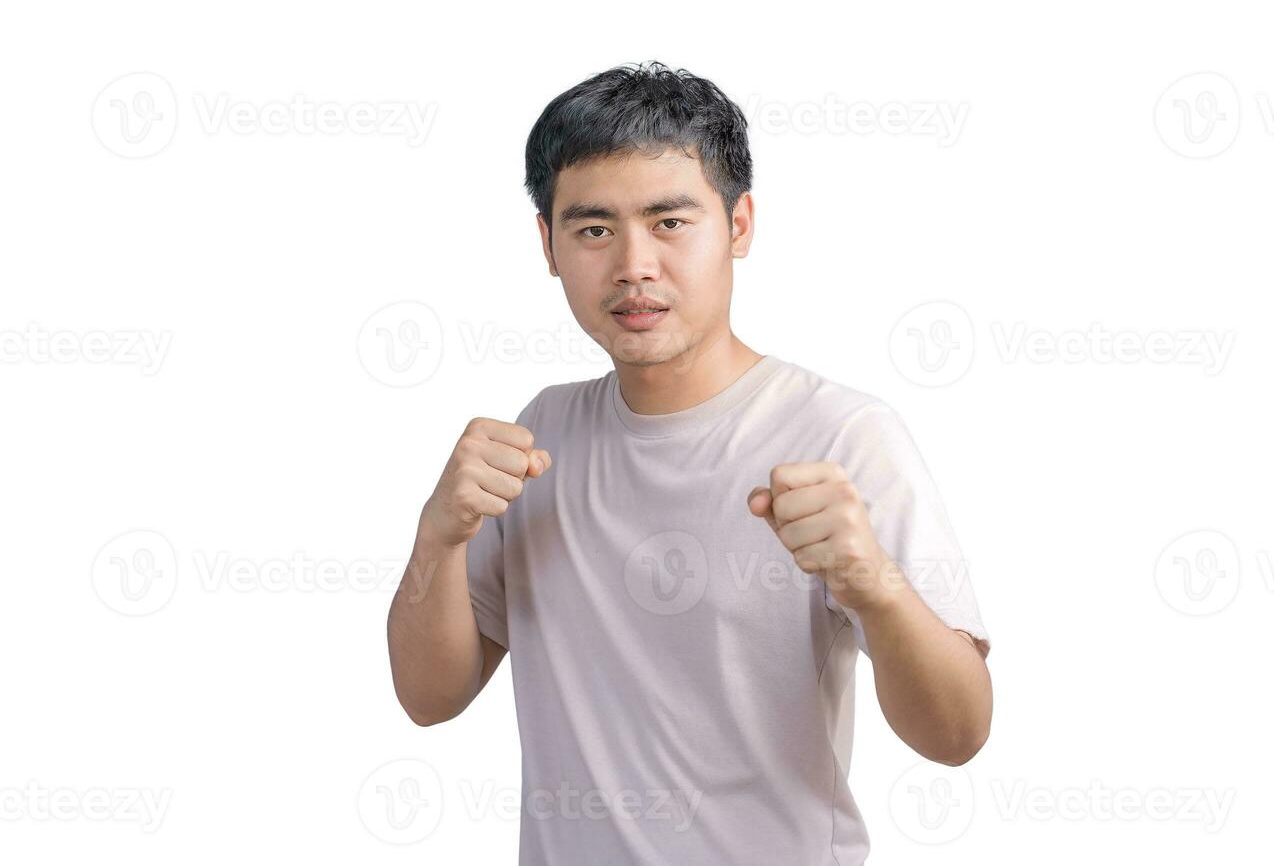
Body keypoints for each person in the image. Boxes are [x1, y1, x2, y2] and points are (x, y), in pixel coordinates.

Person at [386, 61, 993, 865]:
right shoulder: (539, 436)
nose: (633, 265)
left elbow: (956, 736)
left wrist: (869, 582)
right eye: (593, 229)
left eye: (670, 222)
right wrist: (439, 536)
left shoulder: (841, 434)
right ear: (548, 245)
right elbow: (429, 699)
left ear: (738, 225)